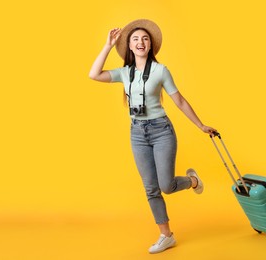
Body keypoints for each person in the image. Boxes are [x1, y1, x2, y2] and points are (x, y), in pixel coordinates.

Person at [89, 19, 217, 254]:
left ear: (150, 46)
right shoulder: (124, 73)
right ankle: (166, 235)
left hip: (161, 131)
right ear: (129, 45)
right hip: (137, 133)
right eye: (135, 39)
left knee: (166, 185)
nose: (140, 42)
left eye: (145, 39)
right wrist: (107, 46)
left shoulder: (160, 70)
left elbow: (179, 100)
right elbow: (93, 74)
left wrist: (200, 125)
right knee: (151, 188)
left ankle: (193, 181)